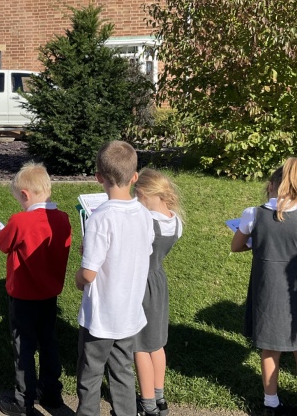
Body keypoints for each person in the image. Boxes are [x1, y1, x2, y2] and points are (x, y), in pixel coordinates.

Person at [75, 140, 154, 416]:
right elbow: (141, 249)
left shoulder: (100, 217)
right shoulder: (144, 213)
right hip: (129, 312)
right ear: (134, 177)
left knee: (90, 371)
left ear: (99, 177)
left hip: (101, 316)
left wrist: (78, 279)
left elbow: (89, 273)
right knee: (122, 370)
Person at [0, 162, 72, 416]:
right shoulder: (63, 219)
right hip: (49, 293)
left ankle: (23, 399)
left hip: (23, 295)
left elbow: (1, 243)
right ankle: (52, 392)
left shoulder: (20, 220)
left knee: (23, 346)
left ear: (25, 194)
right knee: (48, 342)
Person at [231, 158, 297, 416]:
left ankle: (271, 404)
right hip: (294, 289)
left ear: (271, 185)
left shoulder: (253, 214)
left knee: (270, 347)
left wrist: (256, 242)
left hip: (267, 289)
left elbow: (236, 245)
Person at [132, 169, 184, 416]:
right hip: (158, 281)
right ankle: (159, 397)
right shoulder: (175, 221)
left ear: (143, 193)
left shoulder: (146, 222)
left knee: (141, 345)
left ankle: (147, 403)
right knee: (157, 344)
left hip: (141, 283)